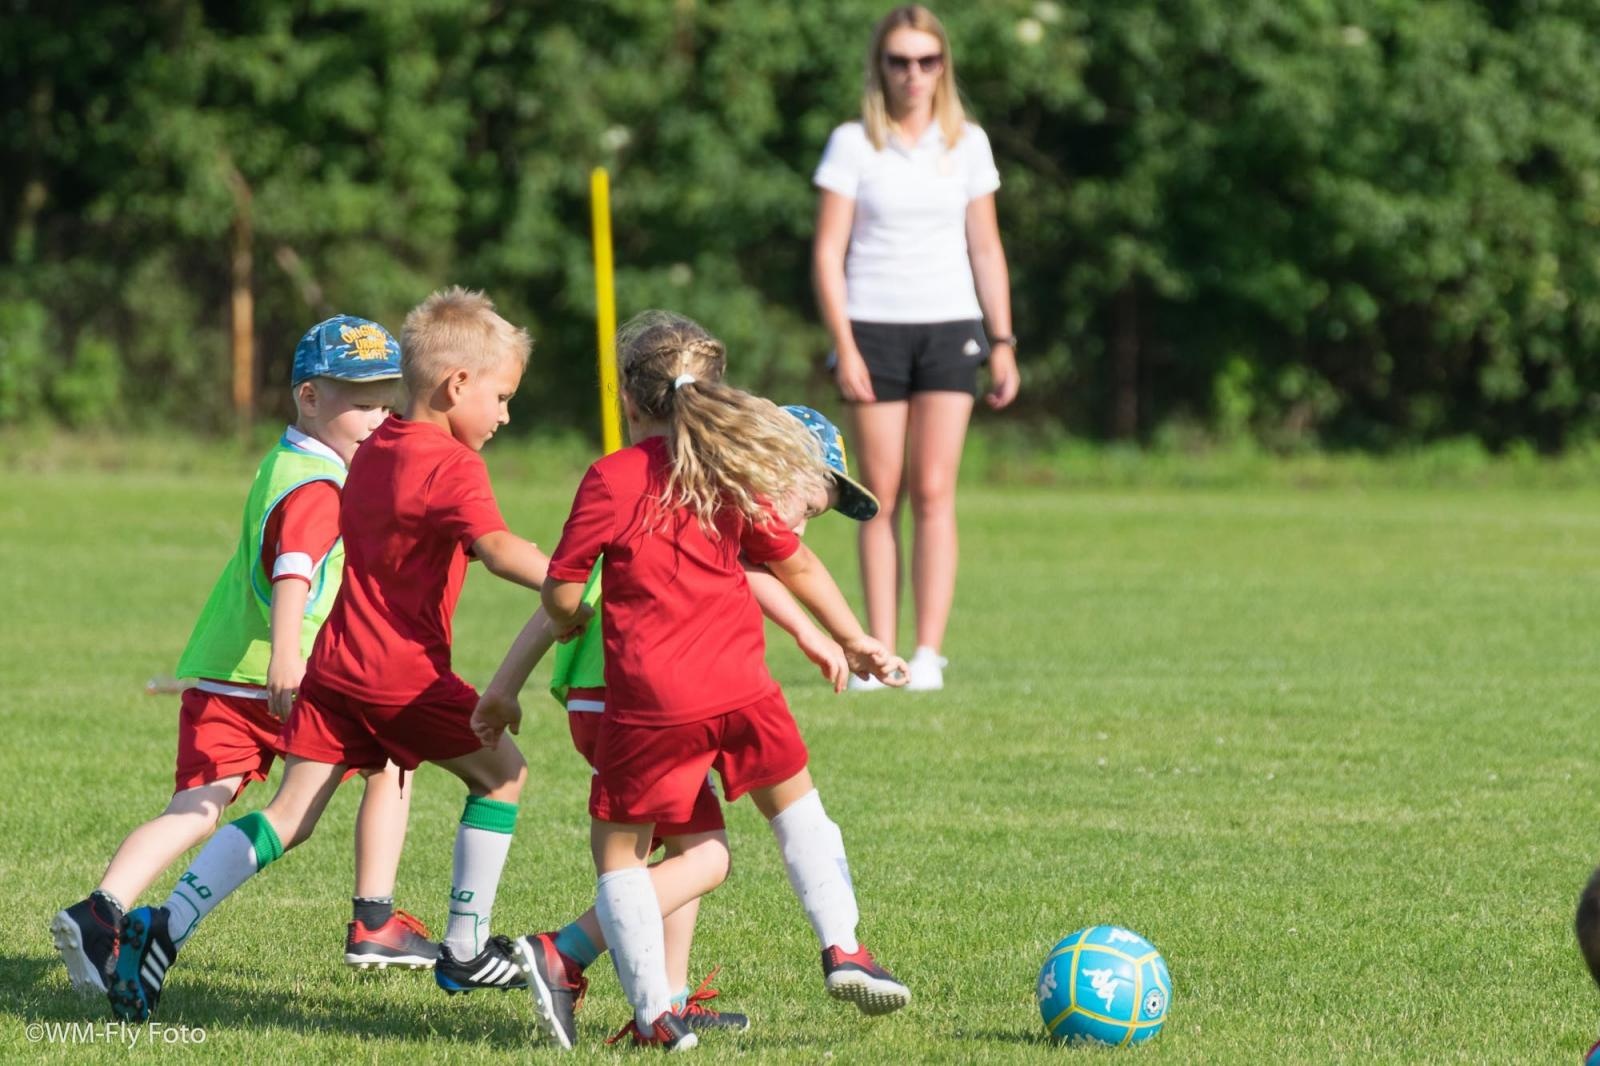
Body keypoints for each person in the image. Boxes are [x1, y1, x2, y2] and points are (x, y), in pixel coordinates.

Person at [105, 288, 563, 1042]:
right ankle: (464, 947)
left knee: (289, 816)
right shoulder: (453, 466)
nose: (506, 416)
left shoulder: (374, 448)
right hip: (400, 673)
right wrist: (564, 574)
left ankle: (163, 926)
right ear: (457, 386)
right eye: (502, 397)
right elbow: (497, 548)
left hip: (336, 667)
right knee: (505, 774)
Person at [534, 311, 910, 1050]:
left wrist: (571, 616)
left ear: (631, 400)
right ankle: (844, 947)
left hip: (651, 702)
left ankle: (652, 1015)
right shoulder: (728, 471)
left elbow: (562, 585)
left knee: (621, 858)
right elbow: (793, 562)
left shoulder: (611, 477)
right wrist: (854, 636)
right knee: (797, 808)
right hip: (743, 687)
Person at [468, 404, 879, 1048]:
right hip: (634, 702)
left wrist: (503, 687)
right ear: (768, 464)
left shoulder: (684, 503)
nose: (801, 524)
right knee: (705, 859)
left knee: (688, 847)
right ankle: (563, 952)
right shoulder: (690, 503)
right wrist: (816, 630)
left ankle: (665, 1001)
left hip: (618, 701)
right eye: (807, 504)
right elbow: (562, 602)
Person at [51, 316, 437, 996]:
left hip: (223, 671)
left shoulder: (283, 461)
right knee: (393, 761)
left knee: (196, 808)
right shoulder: (320, 485)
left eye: (386, 399)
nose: (377, 416)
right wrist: (288, 653)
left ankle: (99, 910)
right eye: (359, 400)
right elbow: (294, 568)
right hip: (287, 677)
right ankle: (375, 920)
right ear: (309, 397)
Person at [812, 3, 1021, 692]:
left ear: (943, 67)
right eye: (900, 60)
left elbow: (985, 247)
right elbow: (829, 251)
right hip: (873, 327)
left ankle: (929, 652)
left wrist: (1003, 341)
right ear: (882, 66)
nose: (913, 74)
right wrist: (845, 343)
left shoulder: (967, 144)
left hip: (949, 326)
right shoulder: (853, 143)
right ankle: (879, 652)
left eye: (926, 61)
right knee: (880, 493)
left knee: (935, 490)